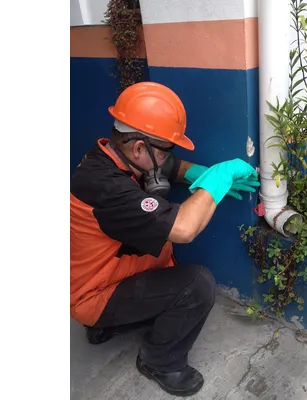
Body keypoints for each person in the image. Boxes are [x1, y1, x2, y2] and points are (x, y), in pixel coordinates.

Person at [70, 81, 259, 396]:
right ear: (139, 147)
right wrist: (218, 178)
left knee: (165, 268)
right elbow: (184, 229)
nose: (169, 156)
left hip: (94, 276)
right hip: (94, 294)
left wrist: (198, 172)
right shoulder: (109, 189)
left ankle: (106, 325)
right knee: (196, 285)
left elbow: (168, 167)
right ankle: (159, 361)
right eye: (166, 148)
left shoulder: (109, 155)